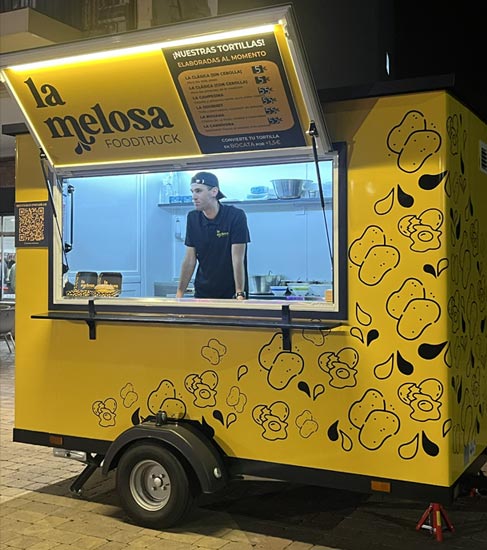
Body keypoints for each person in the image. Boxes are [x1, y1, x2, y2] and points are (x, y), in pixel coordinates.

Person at [176, 171, 250, 300]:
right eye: (192, 191)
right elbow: (189, 260)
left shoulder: (235, 216)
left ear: (214, 192)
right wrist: (179, 294)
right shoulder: (193, 218)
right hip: (203, 292)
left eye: (198, 191)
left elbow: (237, 258)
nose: (194, 196)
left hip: (231, 293)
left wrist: (239, 292)